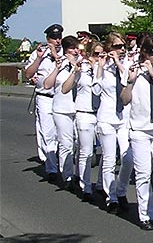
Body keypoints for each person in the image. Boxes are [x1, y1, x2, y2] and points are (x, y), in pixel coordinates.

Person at [121, 35, 153, 230]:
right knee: (143, 174)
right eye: (152, 53)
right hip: (140, 129)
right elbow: (125, 100)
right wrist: (130, 81)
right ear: (144, 52)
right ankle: (145, 214)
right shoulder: (132, 69)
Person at [93, 32, 134, 214]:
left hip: (123, 118)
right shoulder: (101, 66)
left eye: (123, 46)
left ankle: (121, 189)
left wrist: (118, 62)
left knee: (128, 158)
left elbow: (128, 79)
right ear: (109, 48)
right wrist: (101, 67)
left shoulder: (126, 64)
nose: (121, 49)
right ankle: (112, 197)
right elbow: (95, 90)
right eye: (117, 47)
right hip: (107, 117)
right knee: (109, 159)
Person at [62, 40, 104, 201]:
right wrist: (75, 71)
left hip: (101, 114)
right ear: (88, 54)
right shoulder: (82, 69)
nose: (97, 58)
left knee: (107, 153)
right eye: (95, 54)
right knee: (85, 151)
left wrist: (100, 67)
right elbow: (65, 89)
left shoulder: (104, 68)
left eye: (101, 55)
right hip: (84, 113)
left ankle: (101, 184)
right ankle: (85, 187)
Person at [24, 24, 64, 180]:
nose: (57, 41)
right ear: (48, 39)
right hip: (45, 97)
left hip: (62, 98)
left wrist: (55, 54)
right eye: (54, 38)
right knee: (48, 134)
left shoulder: (65, 52)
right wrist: (40, 58)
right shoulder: (39, 53)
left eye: (59, 37)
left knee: (63, 135)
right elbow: (28, 73)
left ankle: (61, 164)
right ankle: (52, 169)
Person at [43, 35, 81, 191]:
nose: (76, 51)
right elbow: (46, 85)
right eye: (73, 49)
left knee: (81, 144)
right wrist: (58, 67)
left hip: (79, 108)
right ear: (66, 50)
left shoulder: (82, 63)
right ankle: (67, 176)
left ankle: (80, 174)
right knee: (66, 144)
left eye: (77, 48)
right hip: (61, 109)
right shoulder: (59, 63)